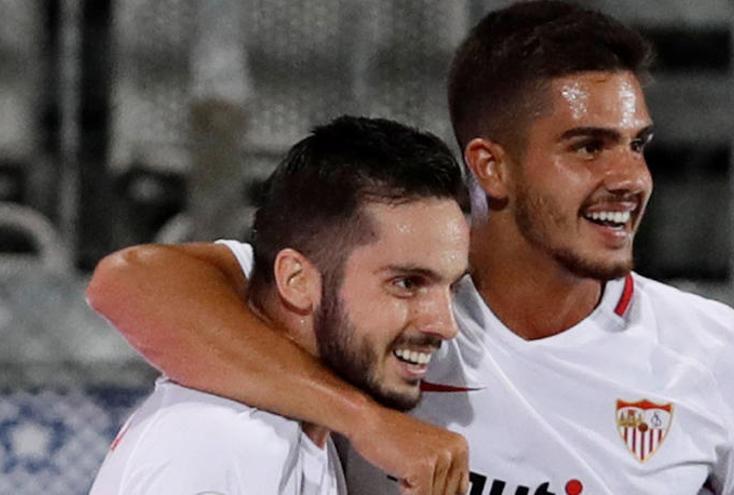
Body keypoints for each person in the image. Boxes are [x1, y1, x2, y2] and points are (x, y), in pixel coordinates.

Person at [88, 2, 734, 494]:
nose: (628, 177)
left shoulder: (723, 358)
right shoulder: (374, 302)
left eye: (638, 145)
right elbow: (132, 283)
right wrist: (372, 422)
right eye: (587, 146)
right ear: (490, 165)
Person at [88, 116, 470, 495]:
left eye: (450, 286)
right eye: (406, 283)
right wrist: (365, 420)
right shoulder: (224, 442)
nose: (445, 324)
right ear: (296, 281)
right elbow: (126, 278)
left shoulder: (292, 431)